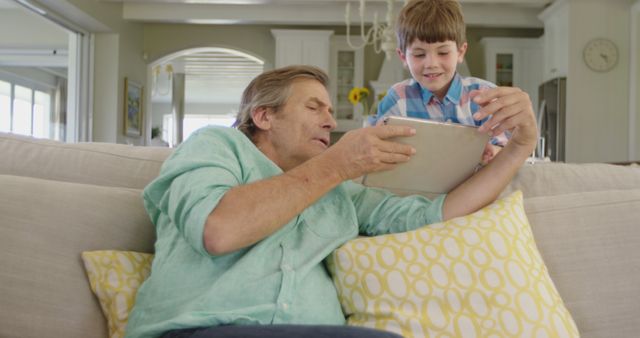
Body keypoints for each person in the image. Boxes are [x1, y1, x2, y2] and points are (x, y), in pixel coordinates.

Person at [125, 65, 537, 338]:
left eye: (330, 109)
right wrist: (337, 164)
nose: (331, 120)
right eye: (313, 107)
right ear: (264, 117)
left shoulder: (340, 192)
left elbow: (440, 213)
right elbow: (219, 229)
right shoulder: (216, 145)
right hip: (203, 329)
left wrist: (520, 146)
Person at [374, 0, 509, 164]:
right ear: (403, 57)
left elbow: (507, 151)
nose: (431, 64)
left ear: (460, 52)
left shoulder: (484, 94)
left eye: (443, 52)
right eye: (419, 54)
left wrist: (493, 153)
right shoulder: (397, 98)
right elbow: (378, 152)